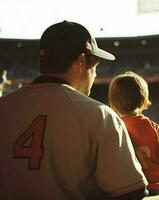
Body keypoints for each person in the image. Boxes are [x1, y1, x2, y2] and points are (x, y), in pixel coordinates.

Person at [0, 21, 148, 199]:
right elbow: (131, 192)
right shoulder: (100, 115)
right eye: (95, 66)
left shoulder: (5, 106)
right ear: (81, 61)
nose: (94, 74)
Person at [109, 71, 159, 196]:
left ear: (113, 102)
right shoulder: (152, 127)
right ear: (143, 100)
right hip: (155, 187)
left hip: (130, 188)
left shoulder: (114, 127)